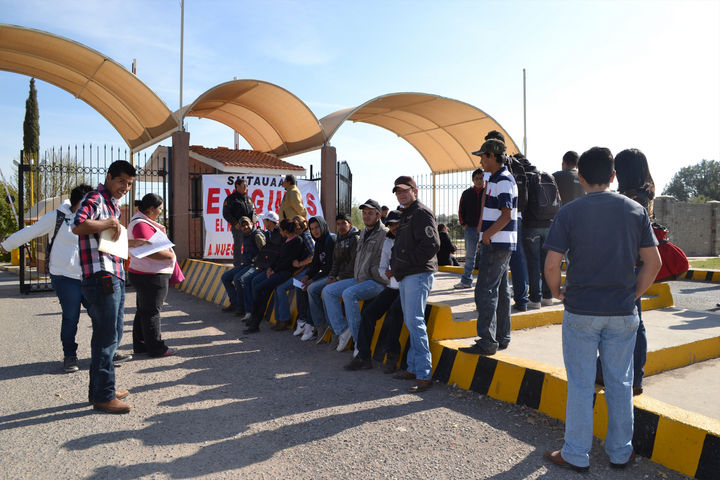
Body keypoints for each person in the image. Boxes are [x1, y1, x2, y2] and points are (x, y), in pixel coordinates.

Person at [543, 146, 661, 472]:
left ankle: (576, 453)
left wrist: (556, 292)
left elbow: (551, 265)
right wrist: (632, 294)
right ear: (613, 176)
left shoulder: (569, 213)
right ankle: (620, 452)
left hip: (581, 311)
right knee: (620, 383)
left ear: (580, 177)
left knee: (581, 384)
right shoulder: (635, 210)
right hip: (622, 311)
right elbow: (653, 263)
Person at [72, 160, 147, 414]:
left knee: (112, 334)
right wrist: (110, 223)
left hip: (114, 273)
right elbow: (78, 225)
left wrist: (130, 242)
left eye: (129, 184)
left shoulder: (112, 203)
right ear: (109, 177)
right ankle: (104, 396)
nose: (125, 187)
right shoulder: (96, 198)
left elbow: (106, 241)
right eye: (121, 181)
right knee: (105, 337)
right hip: (100, 276)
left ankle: (101, 389)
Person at [1, 184, 93, 373]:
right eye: (88, 203)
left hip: (90, 275)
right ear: (78, 202)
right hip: (65, 276)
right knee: (71, 317)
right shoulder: (57, 217)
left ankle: (107, 351)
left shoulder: (94, 219)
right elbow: (31, 231)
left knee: (102, 314)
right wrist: (6, 246)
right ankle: (70, 355)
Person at [596, 147, 656, 396]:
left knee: (624, 323)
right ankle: (632, 376)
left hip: (625, 267)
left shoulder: (632, 198)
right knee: (633, 322)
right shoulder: (646, 192)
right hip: (636, 265)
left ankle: (621, 374)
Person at [459, 138, 518, 356]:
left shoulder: (502, 180)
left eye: (483, 157)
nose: (481, 161)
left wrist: (487, 235)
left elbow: (506, 214)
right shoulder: (497, 179)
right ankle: (501, 337)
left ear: (492, 156)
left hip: (496, 243)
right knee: (500, 291)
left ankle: (487, 341)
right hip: (499, 242)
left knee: (485, 291)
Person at [390, 176, 440, 393]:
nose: (401, 194)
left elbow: (432, 244)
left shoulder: (421, 213)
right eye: (398, 191)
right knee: (411, 322)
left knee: (415, 321)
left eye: (405, 190)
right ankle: (412, 367)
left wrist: (407, 262)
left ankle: (424, 374)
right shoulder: (406, 214)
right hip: (407, 274)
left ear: (415, 191)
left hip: (417, 274)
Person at [323, 199, 388, 352]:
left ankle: (359, 342)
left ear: (378, 216)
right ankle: (343, 330)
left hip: (377, 281)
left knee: (349, 294)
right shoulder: (363, 232)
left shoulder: (385, 234)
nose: (366, 216)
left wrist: (372, 272)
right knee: (328, 291)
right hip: (360, 279)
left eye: (370, 213)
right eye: (364, 213)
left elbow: (385, 261)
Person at [344, 209, 402, 371]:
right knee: (368, 313)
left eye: (397, 224)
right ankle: (363, 357)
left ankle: (392, 355)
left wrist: (397, 271)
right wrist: (387, 273)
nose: (394, 227)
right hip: (392, 286)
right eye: (391, 225)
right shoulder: (388, 241)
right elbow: (382, 267)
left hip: (408, 287)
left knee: (395, 312)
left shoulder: (410, 240)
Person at [127, 193, 179, 358]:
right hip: (150, 274)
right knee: (151, 312)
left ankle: (141, 344)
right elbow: (148, 250)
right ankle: (156, 348)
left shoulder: (141, 222)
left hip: (146, 273)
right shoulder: (141, 224)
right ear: (151, 209)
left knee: (144, 311)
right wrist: (170, 256)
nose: (161, 212)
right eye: (160, 209)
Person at [243, 219, 307, 334]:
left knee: (260, 289)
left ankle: (255, 322)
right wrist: (270, 268)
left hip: (285, 273)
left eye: (281, 230)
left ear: (285, 231)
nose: (280, 232)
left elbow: (288, 262)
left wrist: (274, 270)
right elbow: (278, 257)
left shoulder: (297, 241)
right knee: (260, 289)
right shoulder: (286, 240)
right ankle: (254, 320)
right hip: (277, 272)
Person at [519, 154, 560, 309]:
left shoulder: (525, 178)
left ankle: (535, 299)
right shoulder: (546, 176)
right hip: (549, 224)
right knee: (545, 262)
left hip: (531, 226)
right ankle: (548, 297)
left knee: (533, 262)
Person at [313, 213, 358, 344]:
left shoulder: (355, 239)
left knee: (327, 291)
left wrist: (337, 278)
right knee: (324, 289)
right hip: (340, 276)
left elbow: (353, 265)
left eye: (344, 223)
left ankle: (340, 329)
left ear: (350, 224)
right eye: (338, 224)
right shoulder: (339, 239)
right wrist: (332, 277)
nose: (341, 227)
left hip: (352, 276)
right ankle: (333, 328)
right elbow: (335, 263)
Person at [297, 216, 336, 340]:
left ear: (323, 226)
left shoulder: (331, 240)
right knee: (300, 286)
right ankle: (305, 321)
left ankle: (319, 324)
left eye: (317, 227)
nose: (315, 231)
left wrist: (312, 280)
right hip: (326, 273)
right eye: (312, 228)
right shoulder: (319, 242)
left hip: (334, 275)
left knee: (312, 288)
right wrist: (307, 276)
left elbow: (329, 267)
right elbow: (315, 264)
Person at [240, 211, 283, 322]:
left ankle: (256, 313)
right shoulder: (269, 234)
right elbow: (265, 252)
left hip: (273, 269)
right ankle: (251, 311)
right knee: (246, 279)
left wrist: (270, 268)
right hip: (264, 266)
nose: (263, 222)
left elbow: (277, 255)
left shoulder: (278, 235)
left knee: (255, 282)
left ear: (270, 222)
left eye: (265, 220)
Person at [274, 215, 314, 331]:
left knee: (281, 289)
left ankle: (285, 320)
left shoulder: (306, 237)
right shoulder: (296, 238)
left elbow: (313, 257)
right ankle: (280, 319)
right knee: (277, 288)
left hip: (306, 272)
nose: (297, 226)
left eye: (298, 223)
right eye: (295, 224)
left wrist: (300, 265)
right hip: (298, 271)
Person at [220, 216, 266, 316]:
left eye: (247, 224)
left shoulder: (257, 235)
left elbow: (264, 252)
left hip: (254, 265)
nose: (245, 227)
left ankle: (242, 308)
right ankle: (235, 303)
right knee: (225, 277)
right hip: (246, 264)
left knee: (238, 279)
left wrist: (258, 262)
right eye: (243, 225)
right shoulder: (245, 235)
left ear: (252, 224)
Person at [454, 168, 484, 289]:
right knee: (470, 257)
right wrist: (464, 224)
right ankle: (466, 281)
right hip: (470, 229)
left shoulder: (488, 192)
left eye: (481, 178)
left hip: (485, 230)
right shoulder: (466, 193)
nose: (479, 181)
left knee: (486, 257)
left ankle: (484, 282)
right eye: (477, 178)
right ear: (473, 180)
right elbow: (461, 210)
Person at [222, 177, 256, 267]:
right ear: (237, 186)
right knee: (238, 246)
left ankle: (249, 264)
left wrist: (253, 221)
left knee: (250, 245)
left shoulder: (248, 198)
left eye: (246, 185)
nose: (245, 187)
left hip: (249, 228)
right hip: (238, 227)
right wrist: (235, 223)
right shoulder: (231, 198)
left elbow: (254, 211)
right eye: (243, 185)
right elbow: (226, 213)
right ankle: (237, 265)